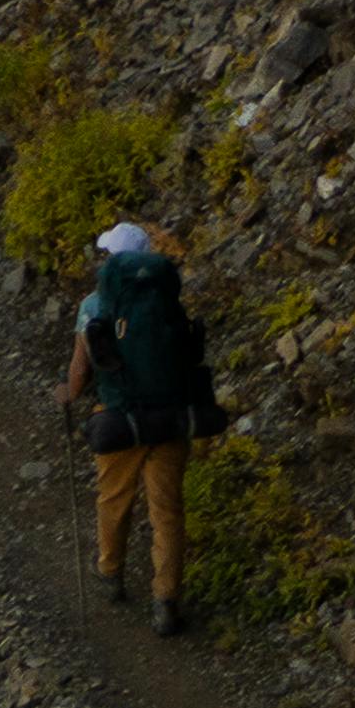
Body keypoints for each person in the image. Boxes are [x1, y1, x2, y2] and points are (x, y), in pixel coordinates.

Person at [64, 207, 220, 627]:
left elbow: (81, 369)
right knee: (166, 510)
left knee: (114, 499)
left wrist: (68, 393)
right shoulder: (168, 303)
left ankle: (110, 572)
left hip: (119, 419)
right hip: (170, 419)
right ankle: (165, 599)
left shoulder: (94, 304)